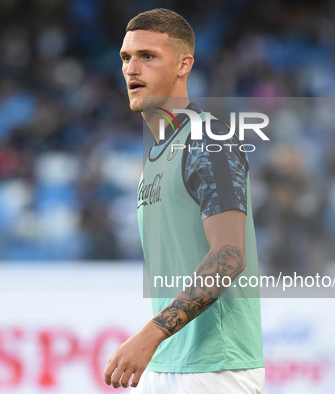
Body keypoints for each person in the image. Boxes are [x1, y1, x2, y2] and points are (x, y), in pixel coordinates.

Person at [104, 8, 265, 393]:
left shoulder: (208, 139)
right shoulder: (159, 154)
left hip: (217, 368)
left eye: (148, 56)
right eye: (126, 58)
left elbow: (229, 255)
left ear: (183, 64)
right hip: (169, 363)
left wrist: (151, 333)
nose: (132, 69)